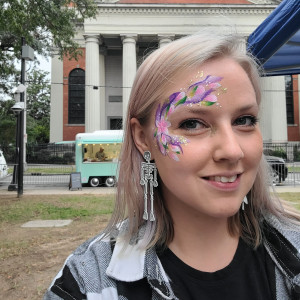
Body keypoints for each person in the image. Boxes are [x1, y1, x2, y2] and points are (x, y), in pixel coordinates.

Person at [44, 31, 300, 300]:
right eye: (192, 123)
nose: (232, 151)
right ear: (143, 138)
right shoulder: (86, 283)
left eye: (244, 120)